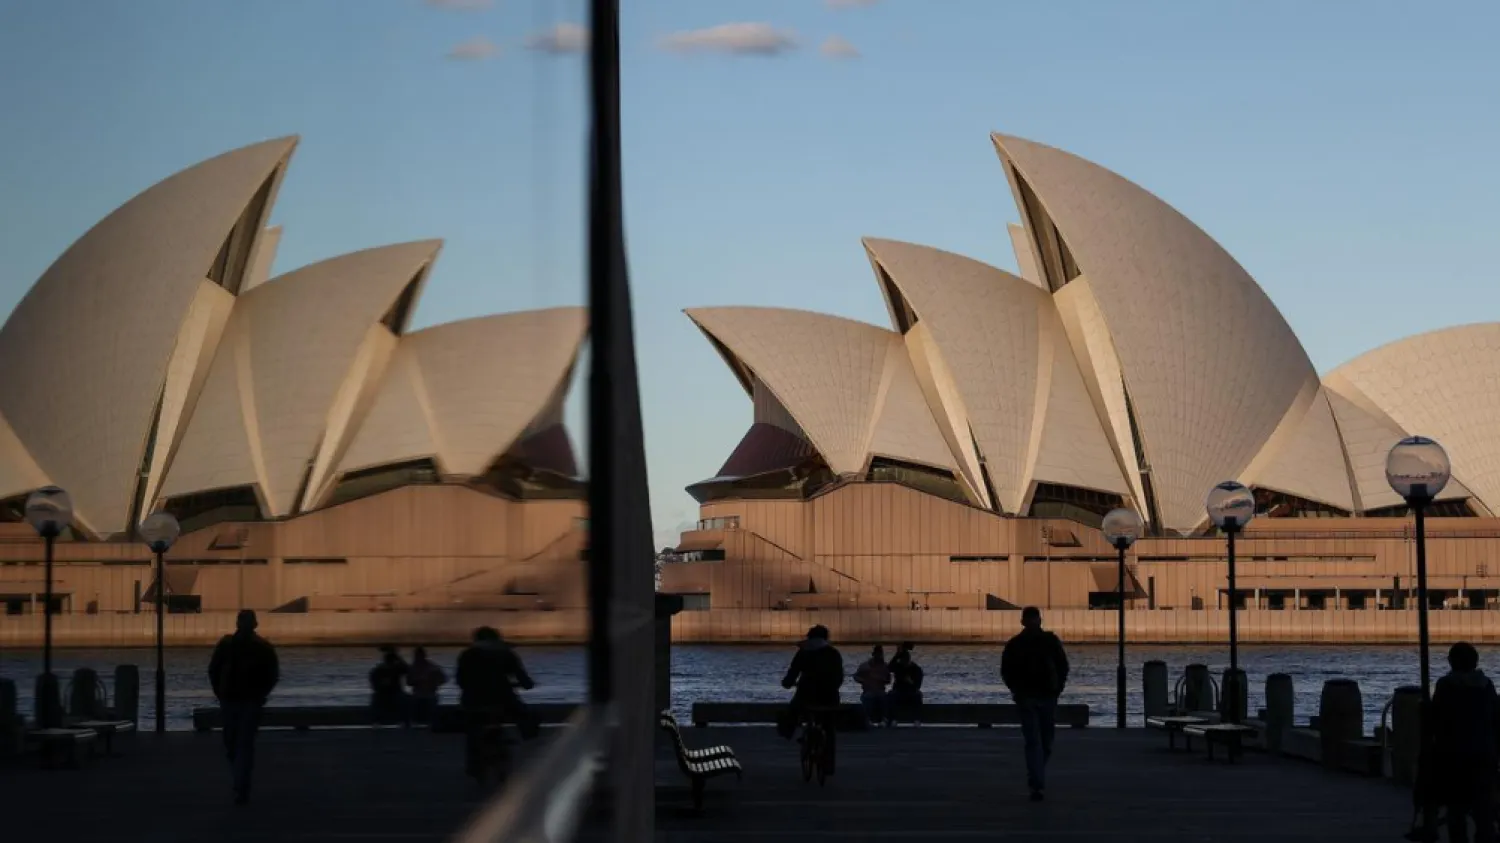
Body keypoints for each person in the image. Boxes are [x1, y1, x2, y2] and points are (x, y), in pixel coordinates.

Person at [1427, 641, 1498, 842]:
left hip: (1453, 756)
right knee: (1483, 811)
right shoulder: (1486, 685)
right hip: (1483, 754)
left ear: (1452, 662)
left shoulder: (1445, 686)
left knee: (1456, 810)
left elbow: (1436, 720)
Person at [208, 609, 280, 805]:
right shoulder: (260, 647)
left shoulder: (228, 645)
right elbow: (272, 674)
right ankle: (241, 780)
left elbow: (213, 670)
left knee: (236, 743)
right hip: (244, 700)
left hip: (238, 700)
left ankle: (241, 784)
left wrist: (219, 691)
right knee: (239, 744)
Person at [1000, 607, 1070, 802]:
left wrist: (1057, 689)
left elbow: (1063, 666)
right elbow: (1006, 670)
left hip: (1043, 695)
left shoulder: (1046, 642)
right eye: (1030, 620)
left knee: (1042, 742)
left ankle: (1036, 776)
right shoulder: (1020, 644)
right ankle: (1037, 783)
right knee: (1038, 742)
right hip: (1033, 697)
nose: (1032, 623)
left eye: (1033, 619)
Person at [456, 626, 536, 781]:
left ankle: (474, 766)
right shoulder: (506, 654)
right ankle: (527, 734)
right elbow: (523, 679)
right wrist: (527, 684)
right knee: (526, 716)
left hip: (473, 702)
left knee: (472, 732)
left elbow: (460, 681)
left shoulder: (467, 655)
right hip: (503, 700)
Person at [779, 625, 845, 769]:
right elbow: (840, 677)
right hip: (830, 697)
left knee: (794, 710)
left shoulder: (804, 652)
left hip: (807, 696)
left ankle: (788, 732)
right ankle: (829, 764)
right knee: (829, 727)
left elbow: (793, 673)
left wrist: (787, 683)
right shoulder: (833, 653)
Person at [369, 647, 411, 727]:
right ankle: (375, 721)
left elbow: (408, 669)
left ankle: (405, 721)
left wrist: (398, 657)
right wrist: (380, 687)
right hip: (382, 693)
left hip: (396, 693)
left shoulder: (396, 669)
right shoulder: (378, 670)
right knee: (376, 698)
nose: (390, 663)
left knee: (405, 698)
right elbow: (373, 683)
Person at [406, 646, 448, 726]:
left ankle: (431, 721)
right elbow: (408, 682)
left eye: (419, 655)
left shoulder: (433, 667)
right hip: (417, 694)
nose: (418, 657)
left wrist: (433, 681)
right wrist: (418, 681)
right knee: (412, 701)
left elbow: (443, 679)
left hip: (430, 693)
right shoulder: (412, 668)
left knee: (430, 700)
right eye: (417, 655)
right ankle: (414, 722)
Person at [853, 645, 892, 728]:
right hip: (868, 690)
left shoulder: (885, 666)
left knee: (885, 698)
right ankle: (867, 719)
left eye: (880, 654)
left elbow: (889, 680)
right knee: (868, 698)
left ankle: (884, 719)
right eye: (877, 654)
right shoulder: (865, 666)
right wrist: (864, 681)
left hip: (880, 690)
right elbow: (856, 677)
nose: (879, 656)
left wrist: (882, 680)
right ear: (874, 654)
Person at [887, 642, 925, 726]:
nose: (903, 663)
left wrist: (910, 682)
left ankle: (917, 719)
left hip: (911, 691)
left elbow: (917, 686)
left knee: (918, 695)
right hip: (898, 691)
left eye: (905, 661)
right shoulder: (898, 666)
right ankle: (892, 719)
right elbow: (889, 668)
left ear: (908, 660)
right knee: (890, 695)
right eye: (902, 661)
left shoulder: (916, 669)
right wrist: (896, 655)